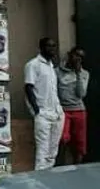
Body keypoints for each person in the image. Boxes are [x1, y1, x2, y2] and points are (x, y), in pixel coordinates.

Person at [24, 37, 64, 170]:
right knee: (42, 152)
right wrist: (37, 111)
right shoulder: (33, 64)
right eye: (48, 46)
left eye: (53, 46)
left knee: (52, 153)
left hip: (57, 113)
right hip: (43, 114)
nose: (52, 49)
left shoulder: (52, 66)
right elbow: (28, 87)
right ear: (41, 48)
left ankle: (49, 181)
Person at [57, 47, 90, 163]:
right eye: (76, 55)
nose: (77, 59)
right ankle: (62, 165)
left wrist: (78, 74)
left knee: (80, 142)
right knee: (63, 139)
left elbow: (81, 94)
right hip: (63, 110)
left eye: (81, 58)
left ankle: (78, 168)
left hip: (79, 110)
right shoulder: (57, 71)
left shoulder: (84, 74)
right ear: (69, 54)